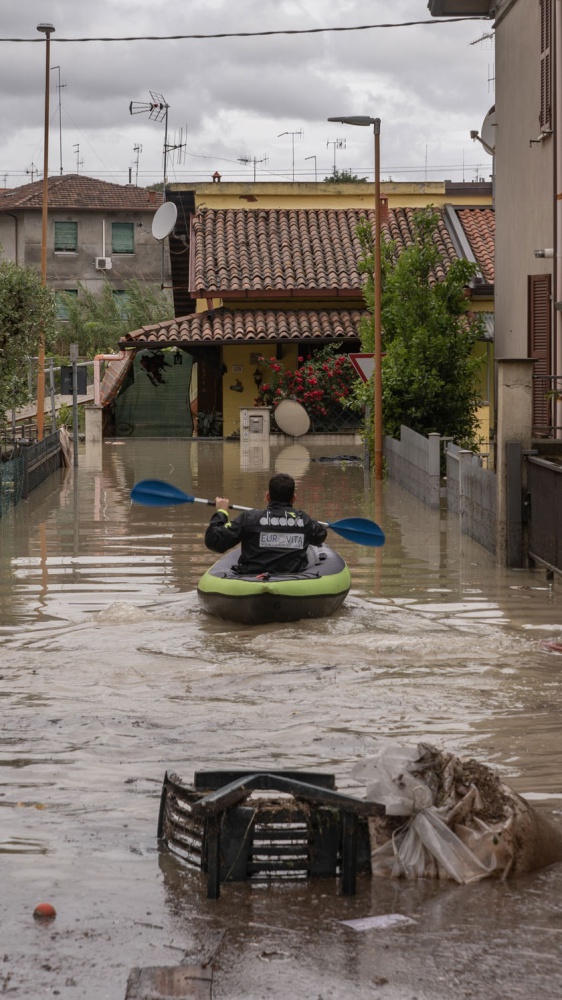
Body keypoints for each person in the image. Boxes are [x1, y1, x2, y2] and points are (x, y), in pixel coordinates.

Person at [204, 472, 327, 576]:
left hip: (251, 579)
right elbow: (320, 535)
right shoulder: (304, 521)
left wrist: (221, 512)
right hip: (291, 581)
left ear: (267, 496)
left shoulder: (249, 518)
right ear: (293, 498)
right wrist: (310, 522)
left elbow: (214, 541)